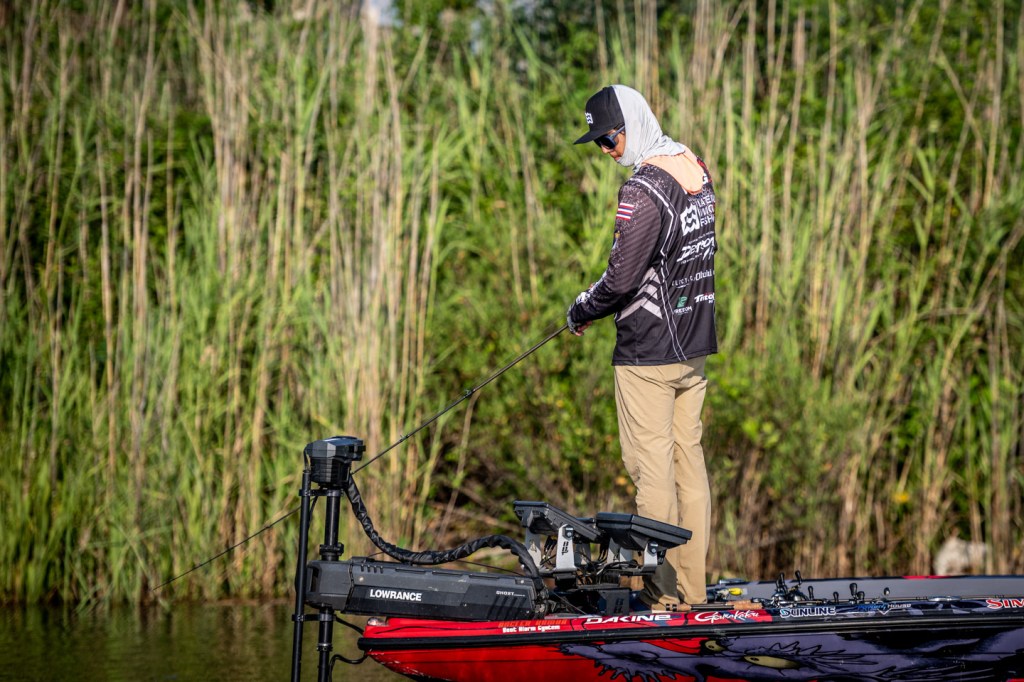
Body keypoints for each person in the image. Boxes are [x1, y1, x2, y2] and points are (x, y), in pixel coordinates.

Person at [566, 85, 717, 609]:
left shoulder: (642, 190)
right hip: (693, 348)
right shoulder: (694, 169)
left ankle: (663, 599)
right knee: (688, 468)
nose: (607, 151)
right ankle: (693, 594)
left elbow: (620, 280)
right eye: (599, 144)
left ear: (632, 124)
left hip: (648, 354)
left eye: (610, 139)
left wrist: (582, 309)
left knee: (652, 475)